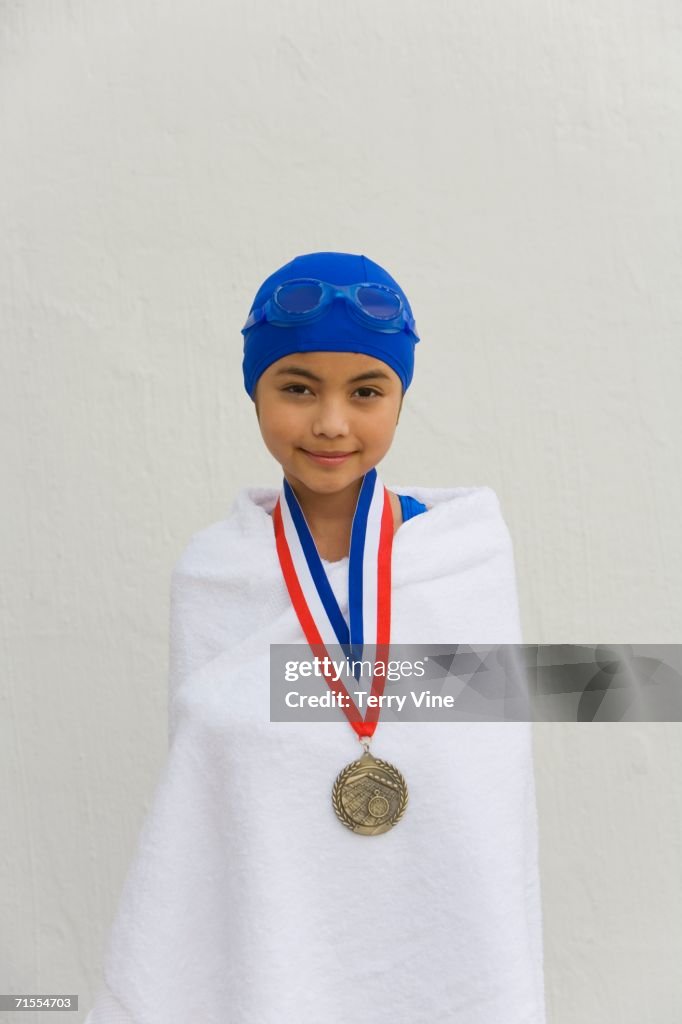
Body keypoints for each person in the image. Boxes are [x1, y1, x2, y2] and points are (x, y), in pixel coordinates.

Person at [85, 251, 546, 1023]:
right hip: (276, 948)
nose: (331, 422)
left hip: (442, 947)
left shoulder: (462, 560)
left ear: (400, 399)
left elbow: (490, 790)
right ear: (253, 391)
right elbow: (211, 801)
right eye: (296, 388)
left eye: (367, 391)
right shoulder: (214, 573)